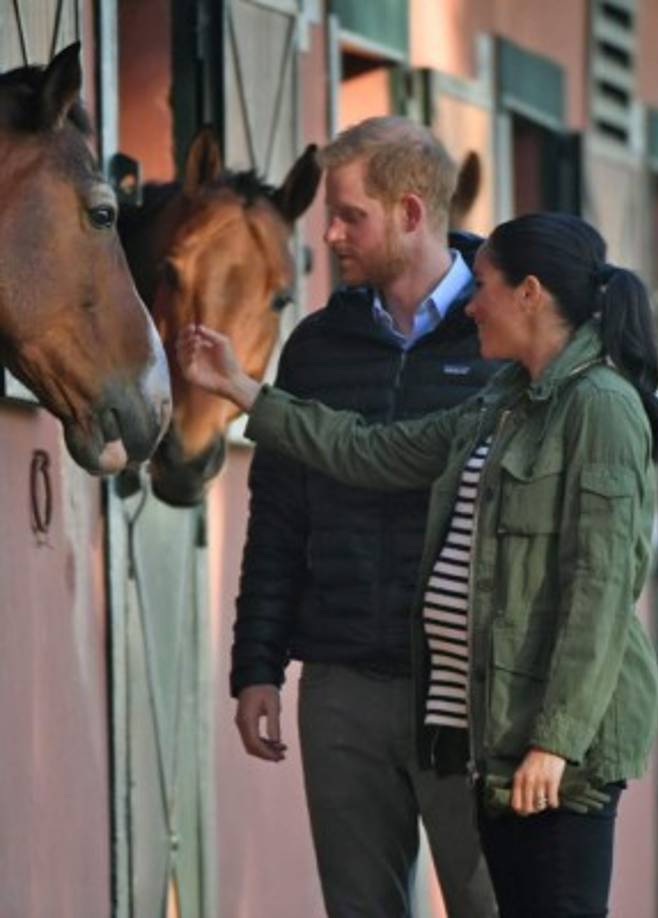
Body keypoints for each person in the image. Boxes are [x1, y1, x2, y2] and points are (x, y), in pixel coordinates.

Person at [178, 211, 658, 918]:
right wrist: (247, 392)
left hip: (554, 756)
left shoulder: (601, 408)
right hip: (497, 745)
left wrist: (554, 745)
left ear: (529, 293)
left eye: (486, 288)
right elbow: (373, 451)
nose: (470, 306)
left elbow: (597, 591)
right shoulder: (505, 401)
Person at [230, 115, 498, 918]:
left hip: (467, 693)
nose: (332, 235)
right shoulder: (314, 348)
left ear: (412, 214)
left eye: (350, 216)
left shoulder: (506, 338)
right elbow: (277, 516)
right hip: (341, 687)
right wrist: (256, 665)